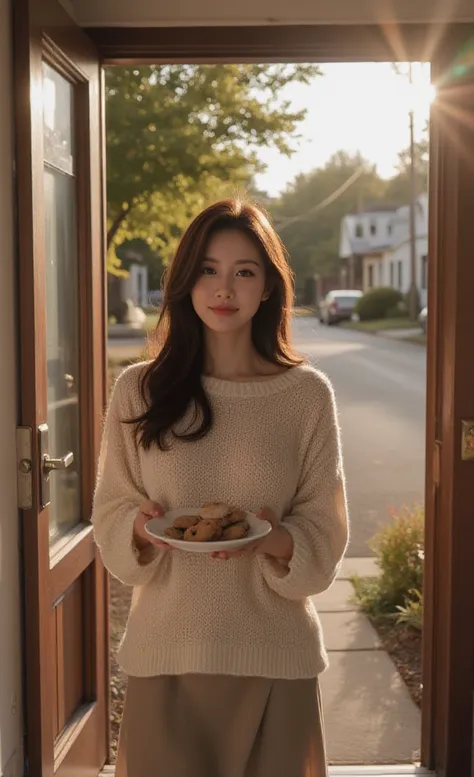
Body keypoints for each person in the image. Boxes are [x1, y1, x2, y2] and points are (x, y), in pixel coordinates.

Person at [92, 199, 349, 777]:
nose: (223, 288)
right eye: (208, 269)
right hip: (168, 654)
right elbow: (111, 506)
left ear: (268, 289)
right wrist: (140, 526)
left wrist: (273, 539)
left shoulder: (306, 395)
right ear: (185, 282)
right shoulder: (139, 390)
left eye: (244, 271)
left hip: (276, 658)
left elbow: (324, 530)